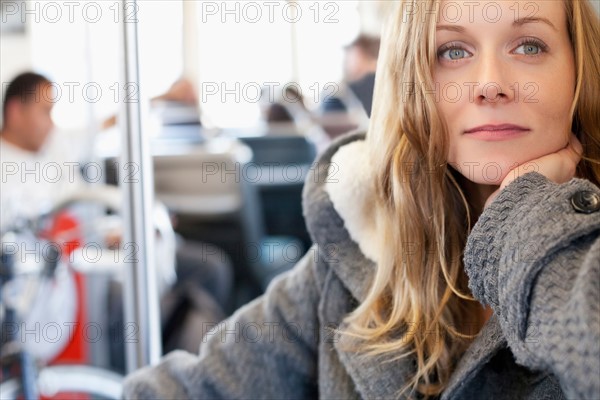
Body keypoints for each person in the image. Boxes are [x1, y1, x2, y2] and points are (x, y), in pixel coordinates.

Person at [123, 1, 600, 399]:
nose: (490, 83)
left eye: (530, 45)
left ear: (580, 69)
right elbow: (196, 389)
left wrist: (528, 217)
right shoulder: (361, 242)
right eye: (453, 50)